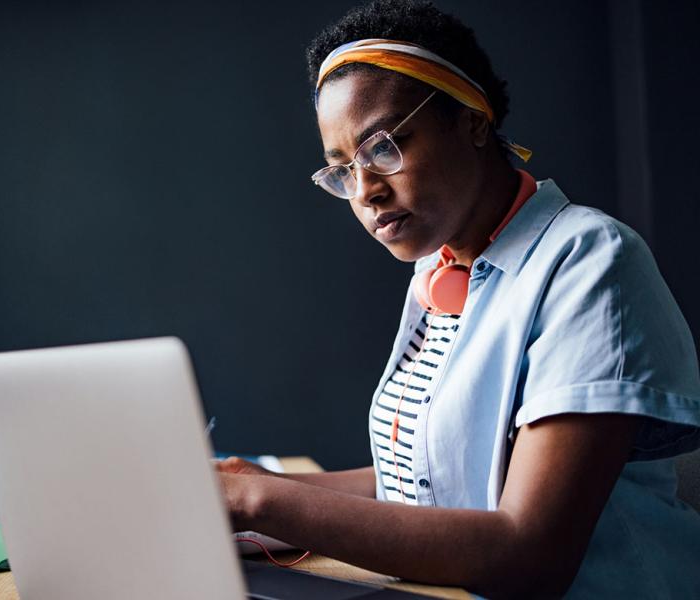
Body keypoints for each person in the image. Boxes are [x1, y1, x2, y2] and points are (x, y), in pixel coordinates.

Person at [216, 1, 700, 597]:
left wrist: (260, 500)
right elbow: (431, 482)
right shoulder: (441, 267)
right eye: (342, 170)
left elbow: (530, 552)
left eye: (386, 147)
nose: (366, 190)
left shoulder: (589, 259)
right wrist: (242, 485)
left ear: (473, 121)